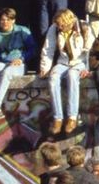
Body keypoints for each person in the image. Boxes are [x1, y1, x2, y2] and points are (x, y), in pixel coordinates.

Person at [39, 8, 89, 136]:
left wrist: (87, 68)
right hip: (63, 61)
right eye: (58, 24)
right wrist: (45, 68)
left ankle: (72, 117)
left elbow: (90, 49)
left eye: (62, 24)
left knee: (72, 76)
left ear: (69, 22)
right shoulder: (54, 28)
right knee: (53, 78)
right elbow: (48, 49)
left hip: (79, 62)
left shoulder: (83, 26)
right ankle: (58, 118)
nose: (60, 27)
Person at [0, 7, 34, 121]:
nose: (5, 22)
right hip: (3, 62)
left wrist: (22, 58)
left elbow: (33, 49)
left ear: (13, 20)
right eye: (2, 20)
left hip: (18, 63)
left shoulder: (22, 31)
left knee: (6, 73)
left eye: (8, 20)